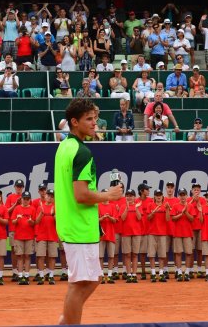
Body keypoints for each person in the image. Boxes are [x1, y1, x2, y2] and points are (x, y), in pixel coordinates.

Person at [54, 98, 123, 325]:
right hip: (79, 227)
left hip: (76, 226)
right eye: (89, 119)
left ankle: (66, 322)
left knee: (92, 279)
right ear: (74, 122)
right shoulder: (82, 153)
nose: (95, 123)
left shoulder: (64, 146)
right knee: (80, 284)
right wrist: (109, 196)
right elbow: (81, 195)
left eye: (95, 118)